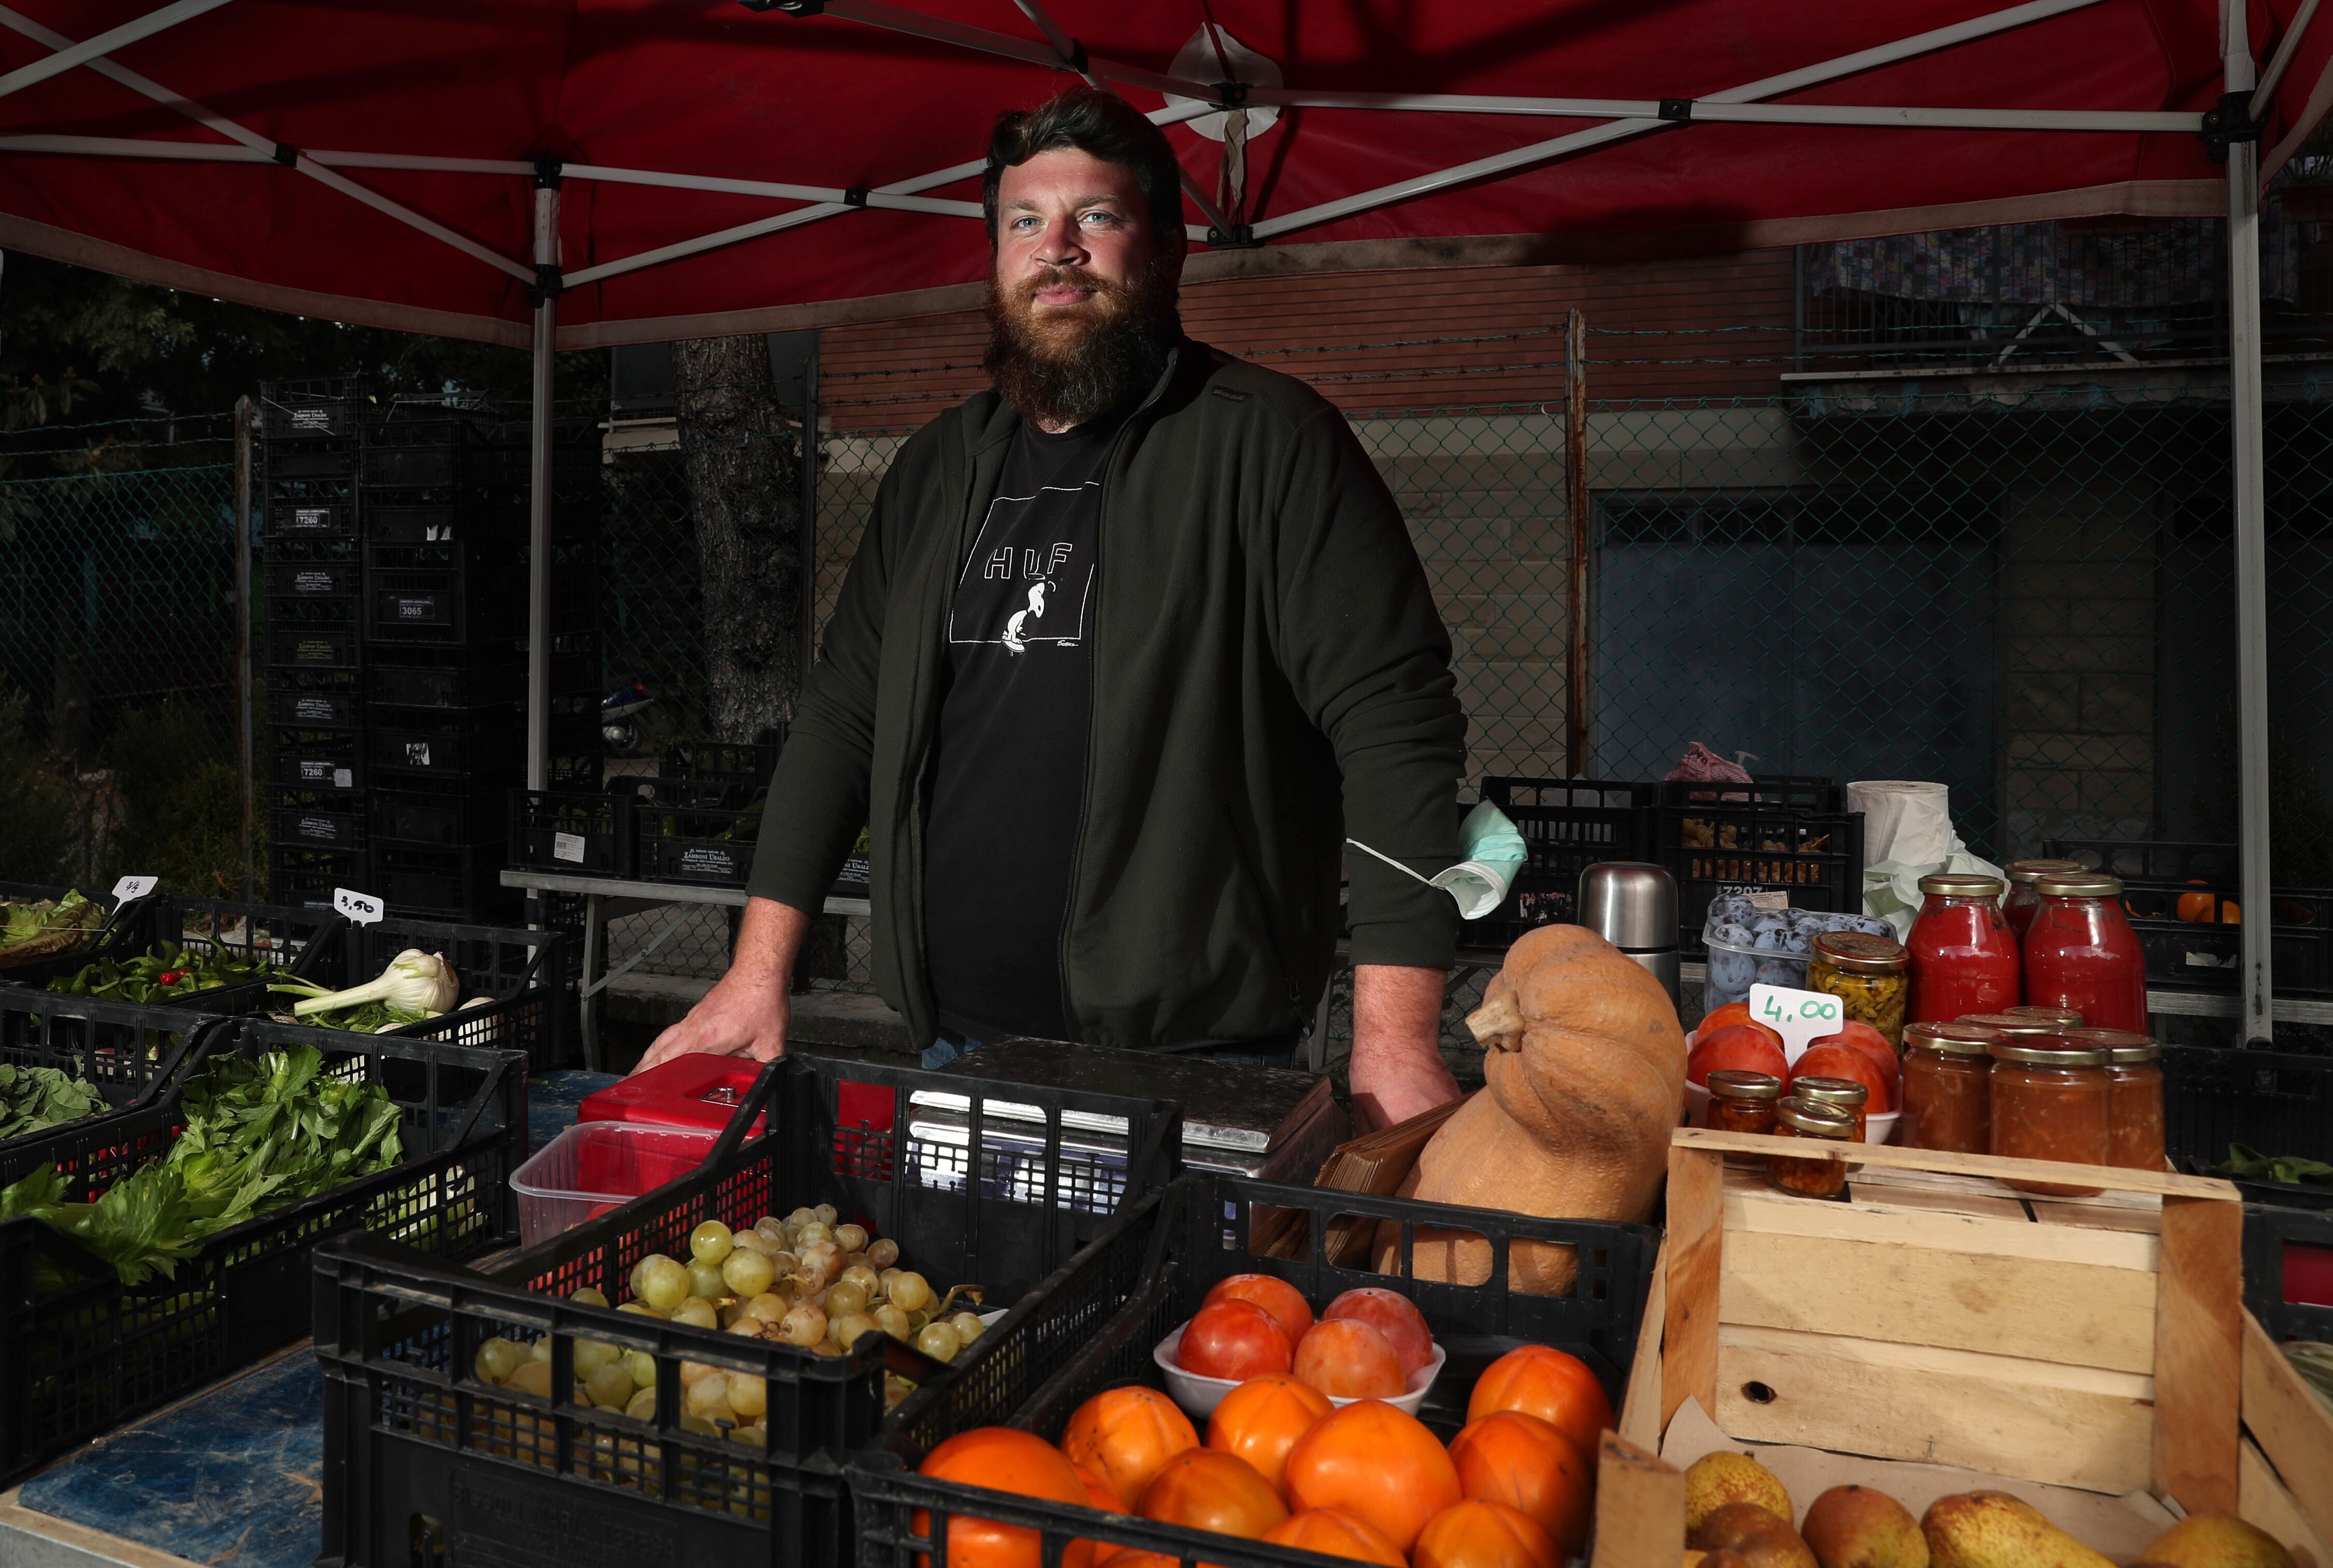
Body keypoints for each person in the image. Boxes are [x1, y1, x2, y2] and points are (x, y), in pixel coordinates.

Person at [635, 85, 1467, 1129]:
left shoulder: (1267, 444)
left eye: (1097, 218)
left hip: (1194, 1059)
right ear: (996, 258)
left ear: (1166, 249)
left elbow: (1397, 725)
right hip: (956, 1045)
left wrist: (1393, 1039)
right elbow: (842, 719)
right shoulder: (935, 470)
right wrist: (759, 971)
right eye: (1025, 221)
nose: (1056, 247)